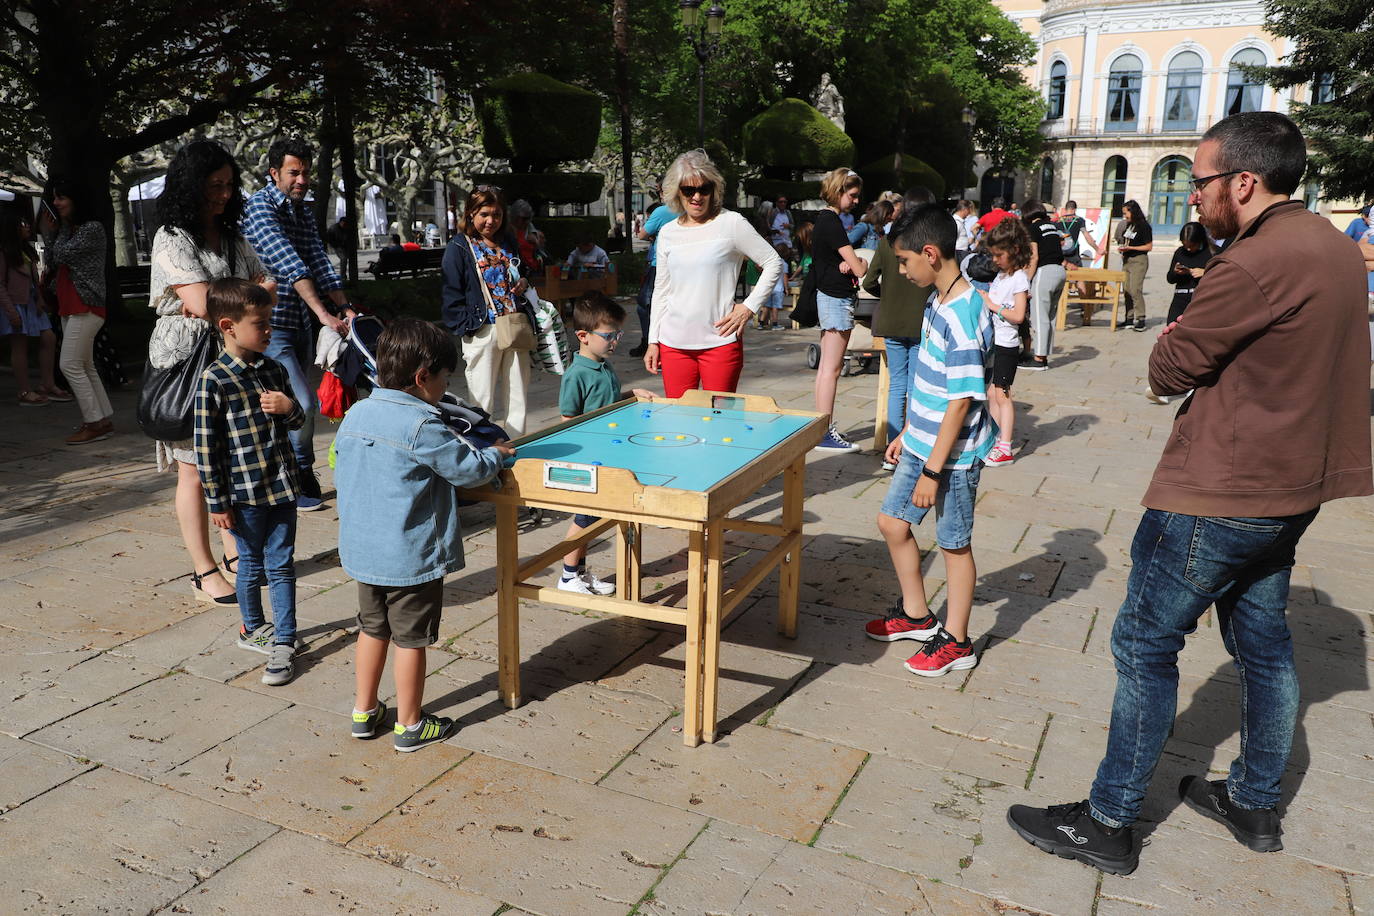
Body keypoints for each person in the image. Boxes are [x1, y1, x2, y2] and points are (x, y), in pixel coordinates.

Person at [1007, 111, 1373, 876]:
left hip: (1221, 491)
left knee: (1144, 646)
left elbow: (1165, 370)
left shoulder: (1252, 264)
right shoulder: (1336, 251)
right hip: (1289, 487)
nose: (1196, 195)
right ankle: (1255, 799)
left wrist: (1178, 332)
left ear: (1244, 180)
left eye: (1202, 180)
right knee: (1264, 647)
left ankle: (1109, 822)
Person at [336, 318, 512, 752]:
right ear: (422, 377)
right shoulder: (422, 425)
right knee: (412, 639)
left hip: (364, 550)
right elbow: (466, 468)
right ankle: (410, 724)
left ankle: (364, 711)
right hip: (409, 557)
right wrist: (498, 456)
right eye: (445, 377)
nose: (446, 385)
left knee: (371, 628)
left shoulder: (357, 412)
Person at [864, 204, 995, 676]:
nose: (900, 270)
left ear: (930, 253)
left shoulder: (962, 314)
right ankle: (917, 616)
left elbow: (960, 403)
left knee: (954, 544)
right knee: (892, 523)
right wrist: (909, 438)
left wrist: (933, 470)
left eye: (903, 261)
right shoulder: (938, 300)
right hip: (924, 443)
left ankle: (958, 641)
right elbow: (931, 386)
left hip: (953, 458)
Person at [149, 138, 275, 605]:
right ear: (191, 186)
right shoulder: (171, 237)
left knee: (229, 461)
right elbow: (205, 303)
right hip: (188, 368)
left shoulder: (234, 237)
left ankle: (235, 553)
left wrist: (226, 298)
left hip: (233, 365)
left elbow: (265, 290)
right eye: (213, 186)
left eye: (228, 185)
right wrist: (242, 295)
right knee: (195, 470)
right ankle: (204, 572)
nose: (223, 194)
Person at [195, 278, 306, 687]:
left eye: (269, 321)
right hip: (243, 496)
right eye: (260, 323)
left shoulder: (273, 369)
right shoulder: (214, 381)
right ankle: (252, 627)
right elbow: (207, 449)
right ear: (228, 326)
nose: (268, 330)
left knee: (281, 565)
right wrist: (216, 502)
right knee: (251, 563)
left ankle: (286, 638)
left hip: (282, 488)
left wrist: (289, 407)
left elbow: (297, 422)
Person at [242, 137, 357, 511]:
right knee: (303, 404)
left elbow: (318, 260)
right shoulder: (259, 208)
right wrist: (324, 313)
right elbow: (290, 263)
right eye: (294, 172)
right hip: (267, 326)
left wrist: (344, 307)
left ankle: (285, 473)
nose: (303, 179)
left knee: (290, 405)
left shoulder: (303, 210)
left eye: (306, 172)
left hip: (298, 321)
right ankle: (301, 473)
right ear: (274, 172)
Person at [644, 150, 782, 398]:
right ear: (677, 191)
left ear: (713, 189)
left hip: (720, 342)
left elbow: (773, 262)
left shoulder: (732, 223)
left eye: (703, 189)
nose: (696, 196)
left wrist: (748, 307)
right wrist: (653, 340)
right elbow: (662, 290)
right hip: (673, 344)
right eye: (688, 190)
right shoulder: (667, 232)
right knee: (678, 426)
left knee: (721, 423)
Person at [556, 294, 655, 595]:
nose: (614, 342)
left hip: (609, 455)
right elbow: (568, 419)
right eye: (609, 335)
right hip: (591, 459)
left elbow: (605, 405)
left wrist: (629, 394)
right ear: (583, 336)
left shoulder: (602, 365)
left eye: (617, 335)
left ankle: (580, 574)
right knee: (586, 518)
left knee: (594, 516)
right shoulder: (577, 374)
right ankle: (568, 576)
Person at [440, 186, 537, 437]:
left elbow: (522, 270)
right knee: (481, 400)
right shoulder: (459, 246)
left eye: (496, 214)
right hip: (482, 329)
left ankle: (517, 446)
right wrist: (468, 327)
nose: (490, 221)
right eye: (484, 214)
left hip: (514, 325)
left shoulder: (508, 240)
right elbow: (451, 293)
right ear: (471, 213)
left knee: (518, 395)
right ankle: (486, 450)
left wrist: (524, 281)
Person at [38, 178, 114, 444]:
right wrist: (56, 233)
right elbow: (52, 258)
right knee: (84, 364)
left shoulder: (91, 228)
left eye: (62, 198)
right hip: (73, 303)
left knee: (69, 364)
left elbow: (59, 255)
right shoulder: (71, 229)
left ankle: (93, 422)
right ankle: (102, 418)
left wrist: (52, 233)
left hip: (86, 303)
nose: (56, 203)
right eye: (55, 198)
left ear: (76, 200)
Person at [863, 190, 934, 469]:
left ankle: (892, 449)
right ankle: (912, 447)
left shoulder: (886, 242)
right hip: (920, 322)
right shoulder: (928, 245)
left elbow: (869, 282)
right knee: (917, 388)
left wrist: (888, 293)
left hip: (891, 321)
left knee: (897, 387)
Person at [809, 167, 868, 451]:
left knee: (825, 369)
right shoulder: (831, 222)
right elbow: (859, 267)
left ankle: (821, 428)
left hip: (829, 296)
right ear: (839, 192)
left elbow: (841, 261)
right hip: (836, 298)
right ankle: (824, 432)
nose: (855, 201)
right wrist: (861, 263)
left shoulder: (824, 221)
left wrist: (850, 262)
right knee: (831, 370)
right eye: (853, 195)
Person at [0, 209, 68, 407]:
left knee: (49, 337)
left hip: (30, 303)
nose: (27, 226)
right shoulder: (4, 253)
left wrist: (39, 298)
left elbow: (33, 280)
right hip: (15, 304)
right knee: (19, 345)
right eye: (22, 224)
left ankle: (47, 383)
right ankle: (24, 390)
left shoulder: (25, 250)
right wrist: (10, 310)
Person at [981, 217, 1031, 467]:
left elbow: (1019, 315)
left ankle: (1006, 446)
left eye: (999, 255)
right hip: (995, 343)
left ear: (1014, 251)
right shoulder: (1002, 276)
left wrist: (993, 306)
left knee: (1002, 395)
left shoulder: (1019, 278)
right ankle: (994, 438)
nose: (995, 259)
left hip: (1007, 346)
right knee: (993, 393)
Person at [1021, 198, 1067, 371]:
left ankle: (1039, 359)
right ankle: (1044, 354)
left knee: (1039, 316)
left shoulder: (1034, 228)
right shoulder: (1052, 227)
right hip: (1060, 272)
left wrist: (1026, 281)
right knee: (1050, 317)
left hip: (1045, 272)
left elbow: (1034, 256)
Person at [633, 200, 677, 357]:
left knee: (645, 306)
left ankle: (650, 342)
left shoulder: (662, 211)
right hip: (680, 266)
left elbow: (642, 234)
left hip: (659, 265)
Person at [1113, 199, 1152, 331]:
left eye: (1126, 213)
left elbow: (1149, 246)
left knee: (1135, 289)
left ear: (1133, 211)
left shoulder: (1144, 226)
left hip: (1138, 260)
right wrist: (1123, 248)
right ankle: (1129, 318)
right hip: (1127, 260)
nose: (1125, 216)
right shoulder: (1129, 225)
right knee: (1127, 290)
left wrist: (1131, 249)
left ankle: (1141, 318)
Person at [508, 199, 545, 272]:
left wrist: (536, 242)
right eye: (524, 218)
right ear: (515, 216)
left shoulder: (529, 227)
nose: (527, 221)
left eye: (528, 218)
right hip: (516, 269)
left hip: (532, 269)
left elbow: (540, 248)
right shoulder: (507, 229)